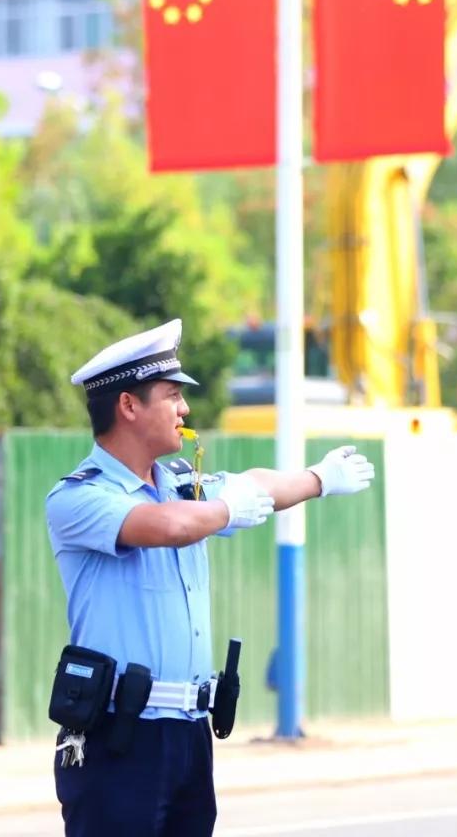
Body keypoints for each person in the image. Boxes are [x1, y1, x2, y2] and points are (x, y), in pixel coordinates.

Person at [44, 318, 375, 837]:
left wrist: (317, 479)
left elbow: (254, 484)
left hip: (190, 735)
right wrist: (227, 509)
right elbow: (168, 527)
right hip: (119, 735)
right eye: (173, 396)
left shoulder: (181, 484)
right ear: (128, 405)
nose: (184, 410)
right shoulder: (79, 497)